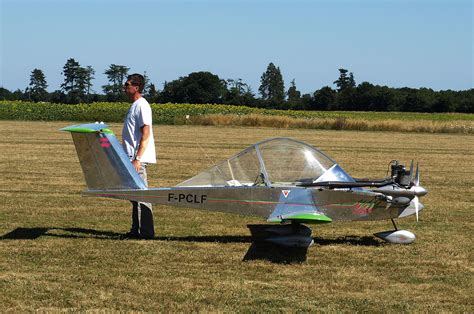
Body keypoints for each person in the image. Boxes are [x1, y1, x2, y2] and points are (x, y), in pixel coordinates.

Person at [121, 73, 156, 239]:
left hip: (137, 160)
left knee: (142, 196)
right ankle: (136, 231)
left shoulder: (142, 105)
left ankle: (146, 233)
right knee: (134, 197)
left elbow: (146, 133)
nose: (124, 87)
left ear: (136, 87)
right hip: (131, 159)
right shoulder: (134, 105)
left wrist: (138, 159)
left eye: (127, 85)